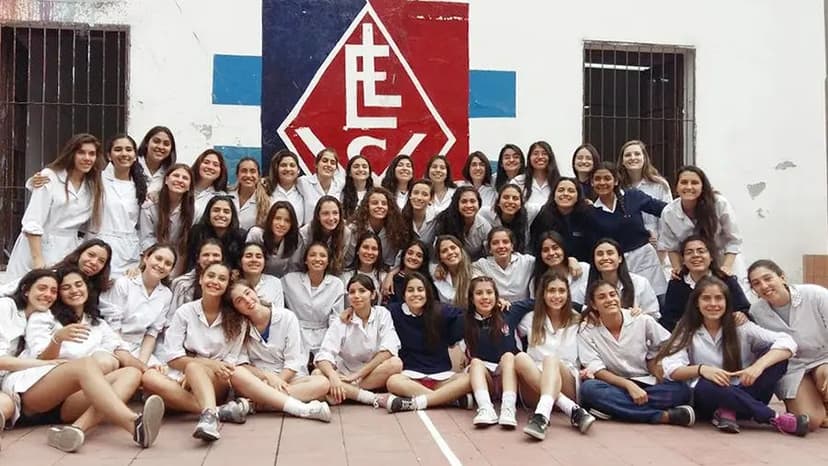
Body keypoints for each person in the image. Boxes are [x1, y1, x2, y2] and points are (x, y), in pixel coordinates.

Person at [0, 269, 165, 452]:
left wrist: (148, 369)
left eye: (79, 284)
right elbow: (41, 357)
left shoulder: (97, 324)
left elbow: (122, 351)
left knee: (131, 373)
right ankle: (133, 423)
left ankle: (76, 429)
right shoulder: (45, 316)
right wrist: (58, 339)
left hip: (68, 403)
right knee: (86, 364)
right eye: (66, 287)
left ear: (87, 288)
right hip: (34, 391)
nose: (74, 290)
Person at [657, 276, 808, 436]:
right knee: (704, 386)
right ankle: (774, 418)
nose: (713, 304)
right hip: (711, 398)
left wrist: (757, 367)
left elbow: (787, 341)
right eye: (706, 298)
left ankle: (728, 411)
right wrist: (702, 370)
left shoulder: (741, 326)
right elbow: (671, 369)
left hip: (748, 389)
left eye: (718, 298)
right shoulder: (686, 329)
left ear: (727, 302)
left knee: (777, 359)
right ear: (697, 303)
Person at [141, 261, 251, 442]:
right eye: (211, 276)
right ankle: (217, 411)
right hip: (185, 372)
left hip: (218, 378)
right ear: (200, 279)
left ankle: (208, 418)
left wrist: (198, 367)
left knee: (191, 370)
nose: (215, 281)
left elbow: (230, 361)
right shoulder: (185, 311)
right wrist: (197, 366)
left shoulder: (237, 319)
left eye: (222, 279)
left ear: (227, 286)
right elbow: (172, 356)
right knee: (149, 378)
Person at [577, 280, 695, 426]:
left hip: (647, 382)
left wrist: (659, 361)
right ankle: (663, 416)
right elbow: (596, 368)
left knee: (682, 391)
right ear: (594, 304)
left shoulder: (641, 320)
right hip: (614, 384)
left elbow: (670, 344)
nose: (609, 300)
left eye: (612, 294)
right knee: (589, 389)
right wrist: (628, 385)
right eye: (602, 297)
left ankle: (613, 408)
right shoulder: (586, 329)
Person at [226, 280, 332, 422]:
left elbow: (293, 361)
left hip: (289, 378)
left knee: (322, 383)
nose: (247, 300)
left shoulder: (287, 317)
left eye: (247, 293)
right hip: (260, 380)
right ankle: (297, 406)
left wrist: (278, 381)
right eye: (239, 301)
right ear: (236, 308)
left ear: (254, 291)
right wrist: (268, 378)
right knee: (237, 377)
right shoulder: (239, 326)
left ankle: (256, 404)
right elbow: (241, 363)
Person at [6, 134, 104, 279]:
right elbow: (33, 222)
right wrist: (38, 261)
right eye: (81, 152)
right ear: (71, 154)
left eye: (92, 154)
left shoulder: (93, 185)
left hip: (68, 249)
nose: (87, 158)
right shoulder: (49, 177)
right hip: (37, 247)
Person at [747, 260, 828, 431]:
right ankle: (817, 406)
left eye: (768, 278)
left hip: (824, 358)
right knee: (810, 421)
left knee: (825, 375)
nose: (764, 286)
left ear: (782, 277)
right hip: (793, 367)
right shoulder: (757, 312)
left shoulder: (816, 295)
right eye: (756, 283)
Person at [515, 271, 595, 439]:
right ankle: (572, 410)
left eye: (561, 291)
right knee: (519, 358)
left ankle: (541, 417)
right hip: (533, 387)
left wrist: (590, 369)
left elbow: (592, 349)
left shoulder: (579, 320)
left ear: (568, 294)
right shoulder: (530, 319)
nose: (556, 296)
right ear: (543, 294)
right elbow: (506, 332)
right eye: (551, 291)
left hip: (567, 379)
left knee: (550, 360)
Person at [383, 273, 474, 412]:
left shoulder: (439, 310)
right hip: (410, 377)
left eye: (420, 289)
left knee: (468, 380)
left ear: (427, 292)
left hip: (441, 377)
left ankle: (416, 402)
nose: (416, 294)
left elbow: (464, 315)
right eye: (410, 290)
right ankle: (449, 399)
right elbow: (373, 314)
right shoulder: (394, 311)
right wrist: (350, 310)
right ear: (404, 293)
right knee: (392, 382)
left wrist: (453, 339)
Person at [315, 275, 402, 406]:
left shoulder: (382, 314)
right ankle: (366, 396)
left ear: (373, 295)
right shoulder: (341, 320)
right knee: (317, 374)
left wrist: (357, 375)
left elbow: (389, 349)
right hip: (344, 372)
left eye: (362, 291)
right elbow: (324, 354)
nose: (356, 295)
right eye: (352, 292)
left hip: (371, 372)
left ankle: (344, 392)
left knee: (395, 364)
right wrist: (333, 377)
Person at [589, 162, 667, 297]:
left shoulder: (633, 196)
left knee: (660, 299)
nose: (602, 182)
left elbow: (665, 210)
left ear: (616, 181)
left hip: (645, 259)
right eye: (597, 179)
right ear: (591, 182)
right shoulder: (591, 212)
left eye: (607, 178)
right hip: (617, 264)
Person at [464, 277, 533, 427]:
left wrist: (583, 309)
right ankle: (486, 409)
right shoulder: (465, 319)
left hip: (508, 375)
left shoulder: (508, 312)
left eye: (489, 292)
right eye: (479, 293)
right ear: (471, 298)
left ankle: (508, 409)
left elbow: (537, 302)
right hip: (485, 378)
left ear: (496, 296)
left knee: (508, 356)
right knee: (475, 362)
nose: (485, 297)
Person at [658, 165, 745, 284]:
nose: (689, 187)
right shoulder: (669, 213)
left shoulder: (719, 204)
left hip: (723, 261)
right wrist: (677, 269)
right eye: (684, 182)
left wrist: (726, 267)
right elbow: (671, 247)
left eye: (694, 183)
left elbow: (733, 240)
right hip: (693, 267)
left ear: (703, 186)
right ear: (676, 187)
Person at [100, 244, 176, 369]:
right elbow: (113, 326)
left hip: (139, 349)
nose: (161, 265)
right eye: (158, 258)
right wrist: (135, 365)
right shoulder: (124, 283)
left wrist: (142, 362)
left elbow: (152, 333)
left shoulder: (166, 294)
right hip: (113, 345)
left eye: (168, 263)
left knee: (160, 375)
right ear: (146, 258)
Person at [85, 134, 147, 277]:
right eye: (118, 149)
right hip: (98, 247)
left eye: (128, 150)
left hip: (129, 253)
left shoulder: (141, 186)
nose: (124, 154)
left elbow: (142, 226)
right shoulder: (96, 180)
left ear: (135, 155)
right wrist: (36, 180)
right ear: (109, 155)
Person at [660, 235, 750, 331]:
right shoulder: (677, 284)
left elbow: (744, 308)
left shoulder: (726, 280)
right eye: (689, 252)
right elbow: (669, 318)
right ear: (683, 260)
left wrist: (741, 315)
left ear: (711, 257)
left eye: (701, 251)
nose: (695, 255)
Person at [281, 243, 345, 361]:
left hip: (325, 333)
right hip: (296, 332)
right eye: (312, 255)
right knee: (296, 368)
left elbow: (336, 317)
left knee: (327, 366)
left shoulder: (336, 284)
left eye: (322, 256)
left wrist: (332, 342)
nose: (317, 259)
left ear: (328, 261)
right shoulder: (289, 280)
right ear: (305, 260)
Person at [1, 239, 112, 299]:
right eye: (91, 255)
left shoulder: (95, 288)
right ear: (79, 254)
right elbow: (12, 288)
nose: (94, 262)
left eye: (101, 261)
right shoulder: (55, 274)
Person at [616, 140, 672, 254]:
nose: (633, 157)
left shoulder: (660, 185)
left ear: (644, 158)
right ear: (622, 161)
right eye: (628, 155)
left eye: (637, 154)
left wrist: (661, 243)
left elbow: (668, 215)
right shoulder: (618, 187)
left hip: (656, 247)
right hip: (628, 247)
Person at [139, 163, 195, 276]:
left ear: (189, 186)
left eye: (185, 178)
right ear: (166, 180)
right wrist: (160, 257)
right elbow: (146, 238)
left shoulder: (195, 210)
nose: (180, 180)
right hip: (153, 258)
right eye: (176, 176)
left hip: (179, 261)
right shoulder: (150, 205)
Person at [586, 239, 660, 317]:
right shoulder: (585, 287)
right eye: (600, 254)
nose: (605, 257)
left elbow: (654, 315)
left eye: (610, 253)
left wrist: (641, 316)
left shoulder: (640, 283)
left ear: (620, 258)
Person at [529, 177, 596, 262]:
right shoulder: (544, 215)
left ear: (578, 196)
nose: (565, 194)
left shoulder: (588, 215)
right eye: (561, 190)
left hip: (582, 267)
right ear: (554, 195)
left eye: (571, 191)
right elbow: (536, 247)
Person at [350, 187, 410, 267]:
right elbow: (350, 258)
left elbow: (391, 260)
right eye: (375, 203)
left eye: (384, 204)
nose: (380, 206)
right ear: (367, 206)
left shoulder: (396, 228)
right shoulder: (354, 228)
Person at [471, 227, 535, 302]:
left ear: (512, 246)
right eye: (495, 243)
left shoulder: (527, 262)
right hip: (495, 309)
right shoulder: (481, 265)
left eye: (505, 242)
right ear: (489, 248)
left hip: (522, 309)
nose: (501, 246)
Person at [528, 231, 589, 308]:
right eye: (545, 250)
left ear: (563, 249)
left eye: (555, 248)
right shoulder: (536, 281)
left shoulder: (584, 269)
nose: (551, 253)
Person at [186, 195, 246, 270]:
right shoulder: (197, 232)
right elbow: (190, 262)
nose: (221, 215)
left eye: (226, 212)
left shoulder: (240, 236)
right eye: (216, 210)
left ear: (232, 215)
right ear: (208, 213)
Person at [246, 201, 303, 277]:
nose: (282, 224)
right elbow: (247, 262)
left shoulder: (296, 239)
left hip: (282, 282)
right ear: (270, 219)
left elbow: (293, 268)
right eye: (277, 218)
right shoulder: (256, 234)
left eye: (287, 221)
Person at [298, 196, 353, 275]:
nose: (331, 218)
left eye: (335, 213)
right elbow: (299, 263)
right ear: (318, 216)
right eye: (325, 213)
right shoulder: (305, 232)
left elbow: (342, 262)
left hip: (333, 275)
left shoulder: (345, 233)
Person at [433, 186, 491, 261]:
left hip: (475, 265)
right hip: (450, 263)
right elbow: (438, 251)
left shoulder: (484, 225)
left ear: (479, 204)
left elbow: (490, 252)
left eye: (472, 201)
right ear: (457, 204)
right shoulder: (444, 222)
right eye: (464, 201)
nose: (469, 205)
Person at [168, 238, 223, 315]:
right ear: (198, 259)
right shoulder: (182, 284)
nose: (210, 259)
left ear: (222, 258)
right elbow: (172, 317)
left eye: (216, 255)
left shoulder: (229, 284)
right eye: (206, 255)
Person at [480, 183, 537, 253]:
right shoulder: (484, 213)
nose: (510, 201)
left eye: (515, 198)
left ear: (521, 204)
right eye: (506, 197)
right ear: (498, 202)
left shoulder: (530, 212)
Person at [297, 148, 344, 225]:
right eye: (325, 161)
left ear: (336, 168)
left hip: (332, 234)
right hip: (309, 234)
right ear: (316, 164)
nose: (328, 165)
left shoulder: (340, 185)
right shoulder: (303, 182)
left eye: (332, 163)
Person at [340, 233, 387, 305]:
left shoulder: (384, 277)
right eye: (365, 247)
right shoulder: (345, 276)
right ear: (357, 251)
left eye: (374, 249)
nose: (369, 252)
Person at [382, 239, 433, 305]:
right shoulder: (391, 280)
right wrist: (390, 274)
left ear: (423, 261)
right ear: (403, 256)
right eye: (410, 253)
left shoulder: (426, 281)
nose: (413, 257)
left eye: (419, 256)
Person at [228, 157, 271, 231]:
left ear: (259, 175)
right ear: (237, 175)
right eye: (244, 171)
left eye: (252, 171)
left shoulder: (267, 203)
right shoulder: (226, 196)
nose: (248, 175)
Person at [430, 235, 473, 308]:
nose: (450, 252)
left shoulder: (475, 275)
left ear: (461, 250)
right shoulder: (436, 274)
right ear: (440, 258)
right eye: (444, 251)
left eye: (453, 248)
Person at [267, 149, 306, 228]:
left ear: (298, 170)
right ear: (276, 168)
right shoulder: (266, 191)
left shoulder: (304, 191)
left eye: (292, 165)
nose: (288, 169)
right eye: (283, 165)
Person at [238, 242, 284, 308]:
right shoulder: (233, 283)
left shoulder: (275, 282)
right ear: (240, 261)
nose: (254, 260)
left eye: (259, 257)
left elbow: (279, 313)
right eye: (248, 256)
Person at [190, 149, 229, 223]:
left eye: (215, 165)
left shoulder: (222, 197)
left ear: (221, 170)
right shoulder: (183, 186)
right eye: (206, 162)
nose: (210, 167)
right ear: (198, 164)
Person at [136, 126, 176, 193]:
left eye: (166, 144)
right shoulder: (131, 164)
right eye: (156, 141)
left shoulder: (171, 174)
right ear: (146, 143)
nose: (161, 147)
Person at [523, 141, 561, 209]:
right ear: (529, 158)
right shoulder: (519, 181)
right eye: (535, 153)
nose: (540, 157)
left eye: (544, 154)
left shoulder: (559, 183)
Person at [402, 179, 438, 246]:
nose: (419, 197)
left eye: (424, 194)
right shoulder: (400, 218)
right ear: (410, 196)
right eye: (415, 193)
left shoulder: (437, 219)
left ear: (431, 199)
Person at [342, 155, 374, 219]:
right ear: (349, 173)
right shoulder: (341, 193)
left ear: (369, 172)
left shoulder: (375, 193)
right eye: (356, 167)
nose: (360, 169)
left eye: (364, 167)